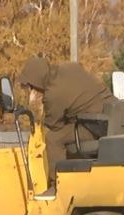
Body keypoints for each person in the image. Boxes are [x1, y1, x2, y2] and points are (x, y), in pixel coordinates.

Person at [18, 56, 114, 191]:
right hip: (110, 117)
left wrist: (38, 104)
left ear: (35, 83)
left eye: (30, 87)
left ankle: (57, 186)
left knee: (53, 139)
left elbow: (54, 125)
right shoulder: (68, 67)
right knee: (66, 133)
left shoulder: (53, 95)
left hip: (95, 125)